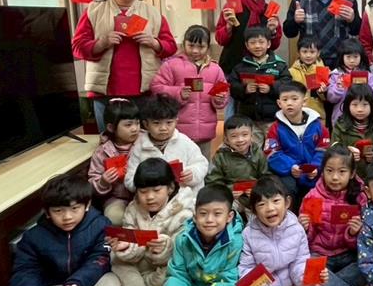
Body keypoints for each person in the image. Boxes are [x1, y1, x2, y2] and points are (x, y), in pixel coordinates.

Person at [72, 0, 177, 132]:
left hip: (144, 93)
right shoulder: (94, 11)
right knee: (109, 140)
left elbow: (171, 46)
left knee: (144, 141)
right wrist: (102, 43)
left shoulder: (152, 12)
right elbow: (77, 47)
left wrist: (154, 42)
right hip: (105, 93)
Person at [110, 158, 193, 286]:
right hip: (142, 264)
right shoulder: (133, 208)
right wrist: (126, 247)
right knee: (114, 258)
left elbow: (185, 251)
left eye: (156, 190)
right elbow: (129, 235)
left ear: (170, 188)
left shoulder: (185, 210)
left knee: (176, 278)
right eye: (143, 191)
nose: (149, 197)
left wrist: (165, 248)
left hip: (169, 268)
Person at [298, 145, 369, 286]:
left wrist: (353, 233)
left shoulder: (359, 197)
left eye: (342, 172)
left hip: (348, 255)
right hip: (320, 254)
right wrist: (305, 229)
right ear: (322, 171)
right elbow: (305, 242)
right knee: (306, 268)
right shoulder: (312, 197)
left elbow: (366, 242)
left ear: (352, 173)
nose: (335, 177)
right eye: (329, 171)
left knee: (366, 267)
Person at [150, 24, 228, 157]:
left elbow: (224, 92)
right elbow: (156, 87)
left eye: (201, 47)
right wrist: (178, 93)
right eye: (191, 46)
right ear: (183, 44)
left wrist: (219, 99)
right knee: (178, 163)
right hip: (178, 132)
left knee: (203, 162)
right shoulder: (171, 65)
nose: (195, 51)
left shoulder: (215, 69)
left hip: (205, 132)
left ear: (208, 47)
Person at [124, 95, 209, 194]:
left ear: (176, 122)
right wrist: (145, 182)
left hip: (186, 197)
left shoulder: (185, 142)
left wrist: (193, 173)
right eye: (156, 123)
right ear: (146, 124)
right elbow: (129, 179)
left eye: (169, 123)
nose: (163, 128)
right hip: (152, 198)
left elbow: (201, 164)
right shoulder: (139, 147)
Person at [264, 81, 328, 204]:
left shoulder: (318, 125)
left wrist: (316, 167)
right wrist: (291, 167)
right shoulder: (275, 128)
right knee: (287, 189)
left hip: (313, 172)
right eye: (285, 100)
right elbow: (272, 153)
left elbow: (323, 149)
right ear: (279, 103)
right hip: (287, 172)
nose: (289, 103)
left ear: (304, 101)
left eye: (294, 99)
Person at [214, 0, 283, 76]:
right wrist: (228, 27)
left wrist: (273, 31)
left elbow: (274, 45)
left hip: (261, 69)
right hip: (232, 67)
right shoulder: (232, 5)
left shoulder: (270, 9)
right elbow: (220, 40)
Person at [227, 26, 292, 145]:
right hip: (249, 119)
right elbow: (232, 87)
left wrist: (271, 88)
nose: (257, 46)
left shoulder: (279, 65)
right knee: (253, 148)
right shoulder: (240, 67)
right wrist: (244, 89)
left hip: (273, 118)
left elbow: (287, 84)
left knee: (273, 148)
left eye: (261, 42)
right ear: (247, 45)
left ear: (268, 44)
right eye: (253, 43)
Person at [87, 98, 139, 226]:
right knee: (115, 218)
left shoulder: (145, 143)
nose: (135, 128)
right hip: (116, 198)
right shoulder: (102, 152)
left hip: (142, 194)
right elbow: (92, 181)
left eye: (137, 123)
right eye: (128, 125)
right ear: (111, 127)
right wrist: (103, 182)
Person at [204, 115, 269, 212]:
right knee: (220, 210)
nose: (240, 140)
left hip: (254, 195)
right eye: (234, 136)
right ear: (226, 139)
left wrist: (258, 190)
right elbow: (212, 181)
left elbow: (266, 176)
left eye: (245, 135)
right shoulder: (220, 156)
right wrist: (228, 191)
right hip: (230, 197)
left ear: (251, 136)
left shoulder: (258, 153)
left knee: (264, 209)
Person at [331, 85, 373, 179]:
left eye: (365, 105)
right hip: (348, 177)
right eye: (355, 105)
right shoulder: (341, 126)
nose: (360, 109)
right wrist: (348, 153)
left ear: (372, 105)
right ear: (348, 105)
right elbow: (333, 149)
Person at [326, 39, 373, 125]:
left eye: (355, 57)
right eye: (348, 57)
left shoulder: (367, 75)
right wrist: (339, 88)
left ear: (361, 57)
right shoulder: (336, 75)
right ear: (342, 57)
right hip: (341, 118)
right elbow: (331, 99)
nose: (352, 60)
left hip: (364, 117)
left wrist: (364, 88)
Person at [288, 35, 326, 118]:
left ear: (318, 53)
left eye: (312, 52)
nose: (308, 55)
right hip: (296, 114)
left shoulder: (323, 71)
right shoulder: (291, 72)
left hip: (317, 113)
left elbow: (328, 99)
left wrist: (322, 92)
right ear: (298, 52)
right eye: (304, 52)